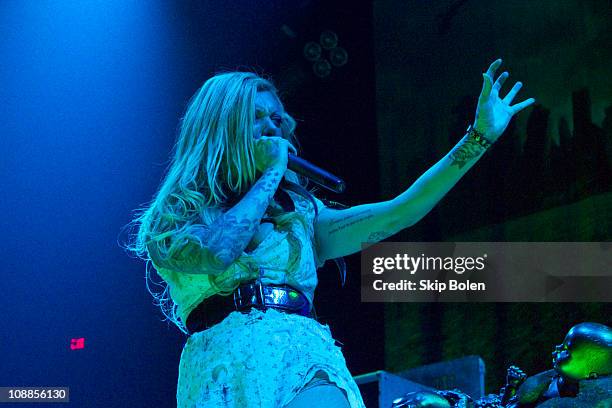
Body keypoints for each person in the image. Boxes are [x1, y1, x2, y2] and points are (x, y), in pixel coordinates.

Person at [126, 58, 534, 407]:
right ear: (223, 128)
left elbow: (400, 211)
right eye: (257, 118)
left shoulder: (302, 215)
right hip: (220, 367)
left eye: (278, 119)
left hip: (300, 353)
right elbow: (218, 253)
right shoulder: (173, 216)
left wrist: (478, 137)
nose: (274, 128)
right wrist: (270, 175)